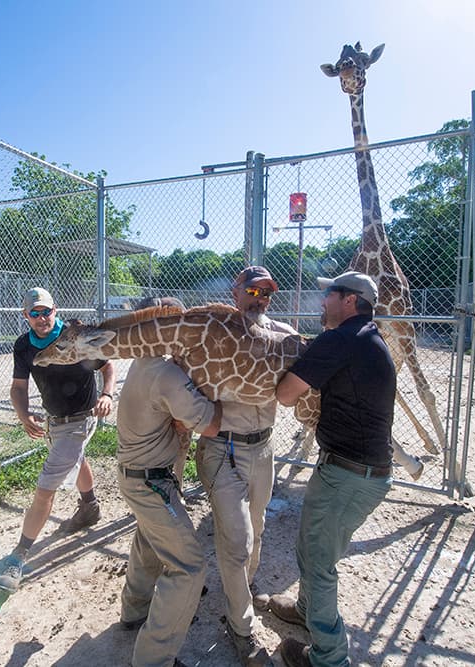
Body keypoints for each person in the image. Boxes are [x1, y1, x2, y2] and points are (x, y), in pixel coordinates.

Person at [266, 271, 397, 667]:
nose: (322, 301)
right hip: (357, 472)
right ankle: (306, 611)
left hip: (348, 475)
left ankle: (329, 658)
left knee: (319, 563)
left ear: (350, 301)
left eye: (329, 295)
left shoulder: (341, 340)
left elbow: (287, 395)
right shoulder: (370, 338)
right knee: (312, 549)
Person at [196, 266, 296, 667]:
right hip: (223, 448)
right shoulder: (214, 335)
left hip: (265, 449)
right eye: (251, 290)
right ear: (234, 292)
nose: (259, 297)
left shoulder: (284, 337)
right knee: (236, 538)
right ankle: (242, 627)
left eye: (266, 292)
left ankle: (245, 588)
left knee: (257, 528)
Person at [116, 296, 223, 667]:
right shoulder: (165, 373)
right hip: (152, 484)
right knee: (190, 567)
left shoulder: (145, 362)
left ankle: (134, 610)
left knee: (150, 541)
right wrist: (217, 395)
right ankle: (153, 659)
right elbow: (209, 423)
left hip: (140, 477)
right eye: (177, 322)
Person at [0, 287, 116, 593]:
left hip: (81, 419)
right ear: (25, 316)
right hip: (53, 421)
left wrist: (106, 394)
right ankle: (90, 507)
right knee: (78, 460)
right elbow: (18, 387)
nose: (41, 318)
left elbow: (108, 366)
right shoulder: (24, 346)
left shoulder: (76, 336)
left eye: (45, 311)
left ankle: (19, 555)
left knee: (44, 490)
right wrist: (24, 416)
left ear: (55, 310)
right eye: (34, 313)